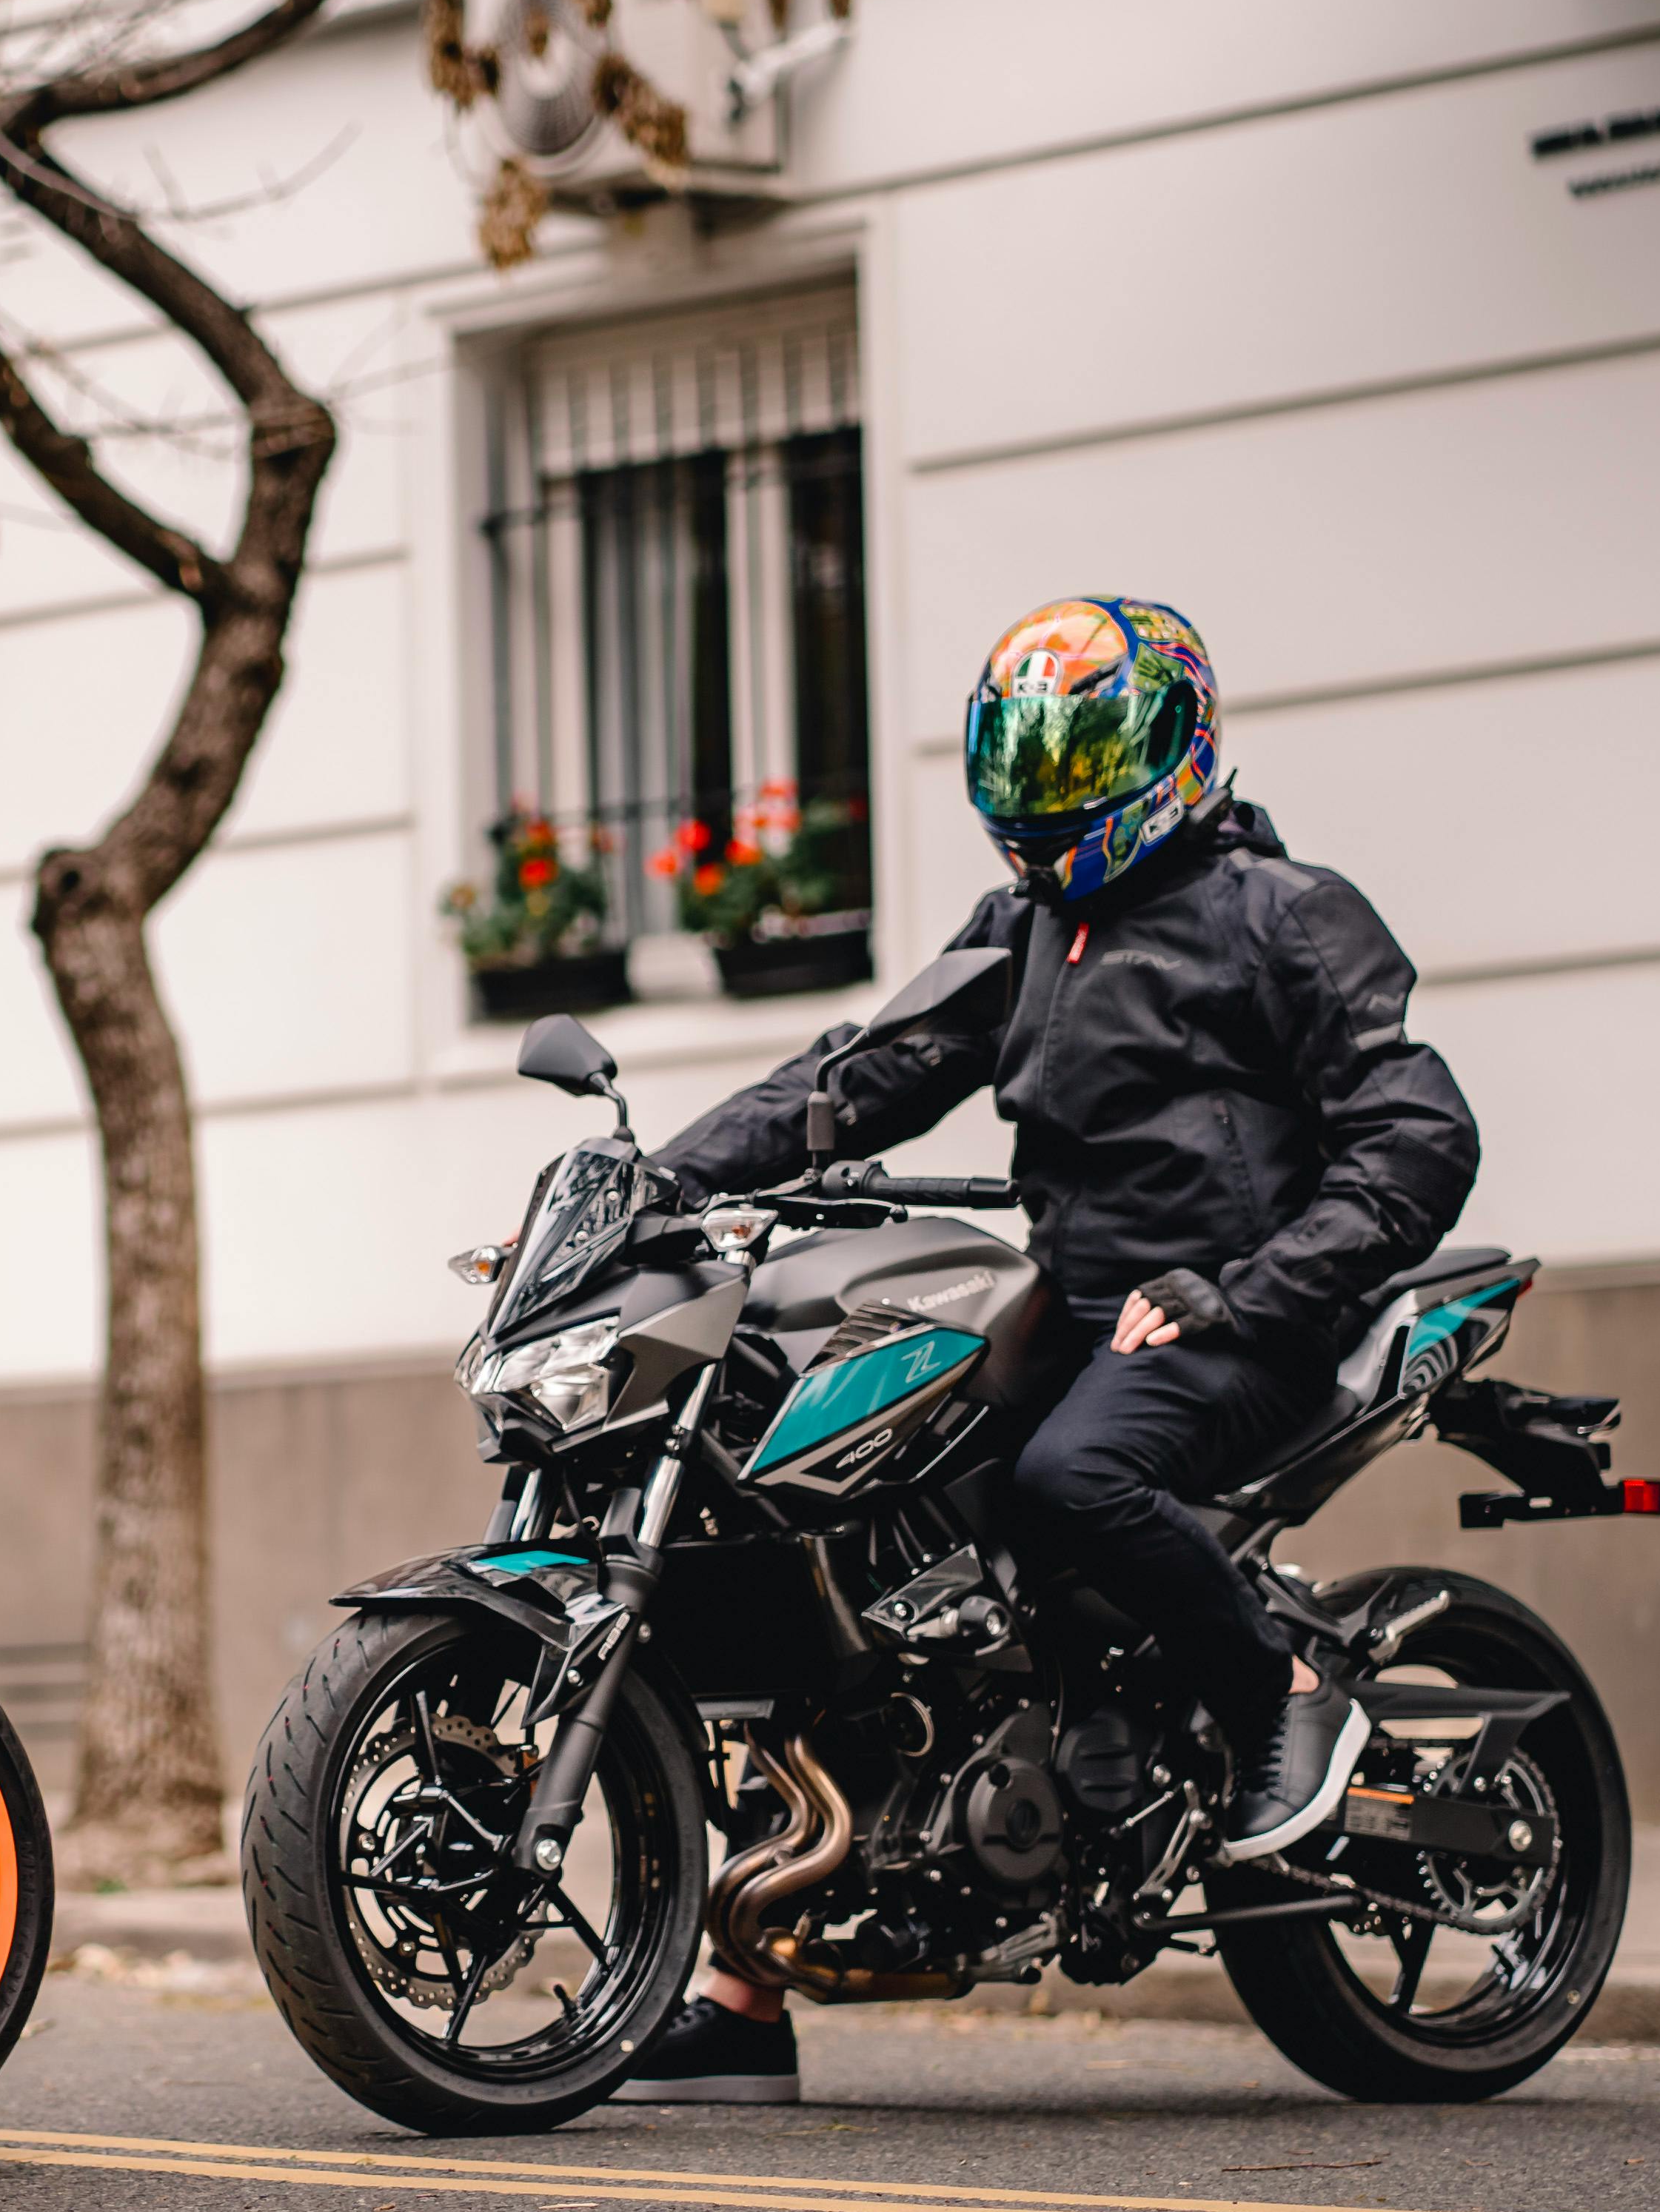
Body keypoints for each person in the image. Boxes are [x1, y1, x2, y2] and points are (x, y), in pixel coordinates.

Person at [616, 597, 1479, 2105]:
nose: (1048, 790)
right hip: (1071, 1310)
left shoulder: (1288, 910)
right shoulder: (1025, 924)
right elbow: (863, 1075)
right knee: (815, 1516)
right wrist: (662, 1181)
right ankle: (746, 1984)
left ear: (1171, 744)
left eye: (1081, 753)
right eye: (1029, 755)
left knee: (1078, 1475)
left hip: (1243, 1315)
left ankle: (1277, 1692)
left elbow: (1419, 1136)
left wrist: (1248, 1285)